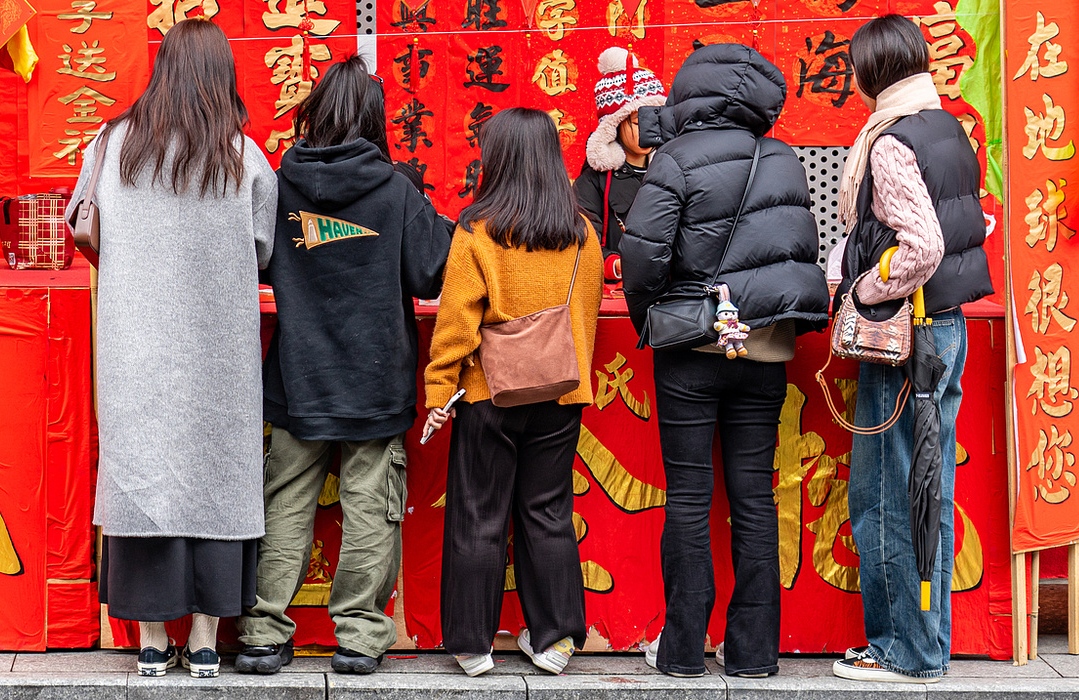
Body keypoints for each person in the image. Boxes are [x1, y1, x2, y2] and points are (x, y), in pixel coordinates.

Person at [69, 19, 279, 679]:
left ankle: (154, 640)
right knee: (218, 477)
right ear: (224, 77)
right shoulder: (244, 157)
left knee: (144, 476)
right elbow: (263, 248)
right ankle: (210, 639)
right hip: (220, 351)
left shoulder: (113, 145)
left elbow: (83, 226)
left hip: (137, 344)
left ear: (161, 69)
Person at [617, 44, 830, 679]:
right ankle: (753, 652)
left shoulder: (675, 160)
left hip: (690, 348)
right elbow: (799, 248)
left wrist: (652, 315)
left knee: (688, 497)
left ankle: (682, 651)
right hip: (761, 349)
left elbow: (641, 259)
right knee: (754, 497)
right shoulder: (786, 160)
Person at [236, 57, 453, 677]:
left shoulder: (279, 186)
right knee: (369, 507)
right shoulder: (395, 191)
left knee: (284, 502)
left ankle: (261, 633)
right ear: (373, 118)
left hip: (298, 376)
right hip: (374, 380)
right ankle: (358, 637)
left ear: (316, 114)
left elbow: (255, 261)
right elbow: (433, 269)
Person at [833, 15, 992, 684]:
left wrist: (864, 285)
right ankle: (921, 644)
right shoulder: (945, 126)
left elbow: (923, 245)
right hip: (942, 329)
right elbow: (968, 223)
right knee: (924, 487)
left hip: (907, 337)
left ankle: (908, 651)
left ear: (872, 73)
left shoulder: (893, 142)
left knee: (891, 495)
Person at [421, 108, 604, 679]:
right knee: (547, 513)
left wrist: (438, 388)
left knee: (479, 516)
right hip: (560, 392)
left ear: (496, 159)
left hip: (487, 394)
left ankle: (473, 647)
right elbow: (587, 314)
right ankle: (554, 642)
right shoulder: (581, 231)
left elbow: (455, 325)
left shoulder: (476, 231)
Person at [574, 47, 666, 285]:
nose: (649, 129)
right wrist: (613, 264)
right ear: (613, 125)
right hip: (614, 291)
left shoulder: (671, 170)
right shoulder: (593, 181)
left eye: (655, 119)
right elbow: (583, 238)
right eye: (638, 122)